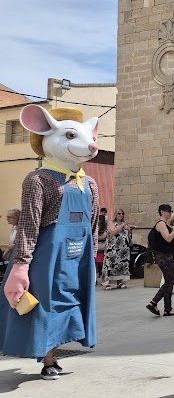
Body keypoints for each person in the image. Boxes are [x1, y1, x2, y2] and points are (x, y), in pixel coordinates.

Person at [0, 105, 100, 380]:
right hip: (47, 258)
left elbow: (93, 226)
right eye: (71, 136)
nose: (90, 144)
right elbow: (29, 223)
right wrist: (21, 264)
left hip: (77, 258)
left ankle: (53, 355)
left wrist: (92, 260)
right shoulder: (38, 179)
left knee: (70, 305)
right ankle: (49, 360)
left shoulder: (89, 183)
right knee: (47, 307)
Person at [146, 204, 174, 317]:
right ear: (162, 212)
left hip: (166, 255)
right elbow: (168, 238)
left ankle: (166, 307)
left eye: (171, 211)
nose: (170, 213)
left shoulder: (164, 224)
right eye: (168, 211)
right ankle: (155, 303)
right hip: (163, 256)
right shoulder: (161, 224)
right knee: (170, 281)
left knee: (170, 280)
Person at [102, 208, 131, 290]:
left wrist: (129, 229)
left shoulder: (124, 224)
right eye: (119, 213)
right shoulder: (111, 223)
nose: (121, 215)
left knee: (121, 265)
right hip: (113, 248)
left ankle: (120, 282)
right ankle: (107, 283)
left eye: (122, 213)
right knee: (109, 265)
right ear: (115, 214)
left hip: (123, 249)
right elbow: (113, 232)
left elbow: (128, 235)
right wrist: (122, 225)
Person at [95, 207, 108, 284]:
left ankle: (104, 278)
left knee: (102, 264)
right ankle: (96, 279)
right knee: (96, 264)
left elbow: (104, 237)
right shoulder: (95, 229)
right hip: (96, 249)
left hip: (102, 249)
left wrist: (96, 238)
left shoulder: (104, 229)